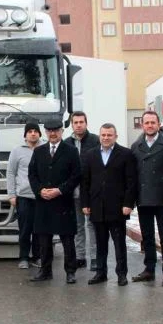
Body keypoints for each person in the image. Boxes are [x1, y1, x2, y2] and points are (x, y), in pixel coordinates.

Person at [81, 123, 137, 286]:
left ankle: (121, 274)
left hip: (118, 207)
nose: (106, 138)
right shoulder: (90, 155)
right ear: (99, 136)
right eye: (103, 135)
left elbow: (131, 181)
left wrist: (128, 204)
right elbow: (85, 182)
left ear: (115, 136)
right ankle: (101, 273)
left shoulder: (126, 154)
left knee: (119, 244)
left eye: (109, 135)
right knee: (100, 243)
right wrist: (85, 203)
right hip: (97, 206)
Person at [27, 119, 82, 284]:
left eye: (56, 130)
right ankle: (45, 271)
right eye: (49, 131)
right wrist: (39, 190)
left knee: (67, 239)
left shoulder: (71, 151)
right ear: (45, 132)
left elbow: (76, 175)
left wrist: (60, 190)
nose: (53, 133)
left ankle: (70, 272)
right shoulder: (39, 151)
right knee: (44, 240)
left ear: (61, 131)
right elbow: (32, 175)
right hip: (44, 202)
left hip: (63, 201)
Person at [130, 111, 163, 286]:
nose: (149, 125)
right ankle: (149, 269)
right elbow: (133, 174)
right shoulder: (136, 145)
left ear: (158, 124)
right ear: (142, 125)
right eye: (146, 123)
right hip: (144, 198)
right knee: (147, 236)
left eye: (152, 122)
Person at [64, 111, 100, 270]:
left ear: (86, 123)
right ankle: (80, 257)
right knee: (77, 226)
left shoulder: (95, 141)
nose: (78, 125)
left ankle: (95, 257)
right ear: (72, 124)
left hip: (91, 191)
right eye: (75, 122)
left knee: (92, 224)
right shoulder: (67, 143)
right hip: (73, 191)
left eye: (81, 122)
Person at [7, 122, 42, 269]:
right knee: (25, 229)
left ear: (39, 134)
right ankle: (24, 258)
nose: (33, 134)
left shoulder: (45, 149)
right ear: (25, 135)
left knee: (40, 229)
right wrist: (11, 194)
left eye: (35, 131)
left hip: (42, 196)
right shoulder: (17, 151)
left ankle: (38, 257)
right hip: (24, 196)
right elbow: (11, 173)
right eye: (30, 131)